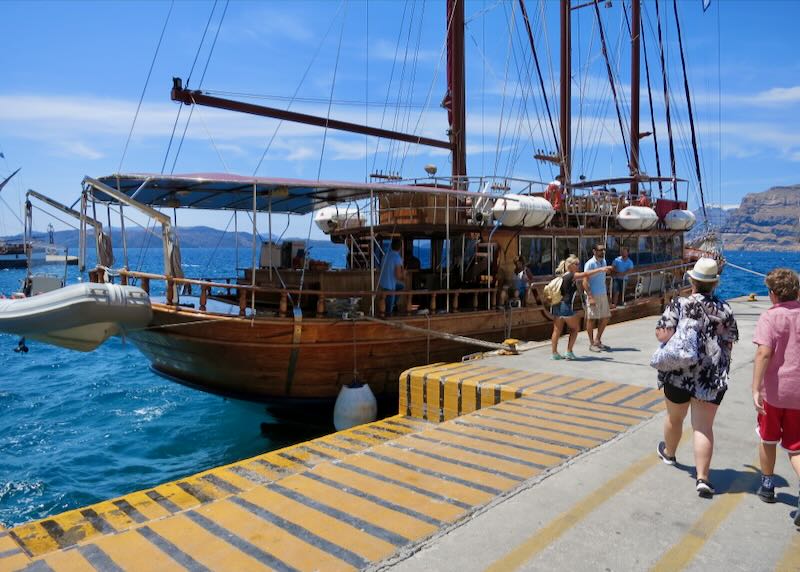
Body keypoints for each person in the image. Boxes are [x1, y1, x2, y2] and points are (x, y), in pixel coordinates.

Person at [655, 258, 738, 498]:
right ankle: (703, 478)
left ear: (692, 280)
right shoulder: (725, 309)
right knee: (703, 427)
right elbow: (729, 342)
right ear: (714, 284)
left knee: (674, 417)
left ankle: (669, 453)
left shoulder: (678, 305)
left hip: (678, 374)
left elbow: (662, 335)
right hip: (710, 377)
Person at [751, 268, 800, 524]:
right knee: (796, 448)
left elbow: (764, 354)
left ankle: (768, 486)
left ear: (771, 294)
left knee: (768, 439)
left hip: (774, 393)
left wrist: (755, 387)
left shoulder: (770, 317)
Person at [551, 255, 612, 360]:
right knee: (575, 328)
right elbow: (587, 274)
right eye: (576, 264)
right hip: (565, 306)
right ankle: (569, 352)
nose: (578, 266)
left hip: (557, 306)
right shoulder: (571, 275)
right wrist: (601, 269)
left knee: (557, 330)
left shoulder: (562, 276)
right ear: (570, 266)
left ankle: (554, 353)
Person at [583, 244, 611, 351]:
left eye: (603, 250)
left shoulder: (603, 262)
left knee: (605, 317)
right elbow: (585, 282)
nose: (602, 252)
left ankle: (597, 340)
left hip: (602, 293)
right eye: (600, 250)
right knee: (591, 319)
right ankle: (591, 343)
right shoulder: (589, 264)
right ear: (594, 251)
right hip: (593, 294)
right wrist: (590, 296)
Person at [378, 238, 404, 314]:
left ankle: (394, 303)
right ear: (400, 247)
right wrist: (404, 275)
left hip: (383, 285)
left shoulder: (385, 255)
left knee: (400, 286)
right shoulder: (397, 258)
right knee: (388, 312)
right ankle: (393, 305)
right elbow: (398, 276)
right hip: (390, 287)